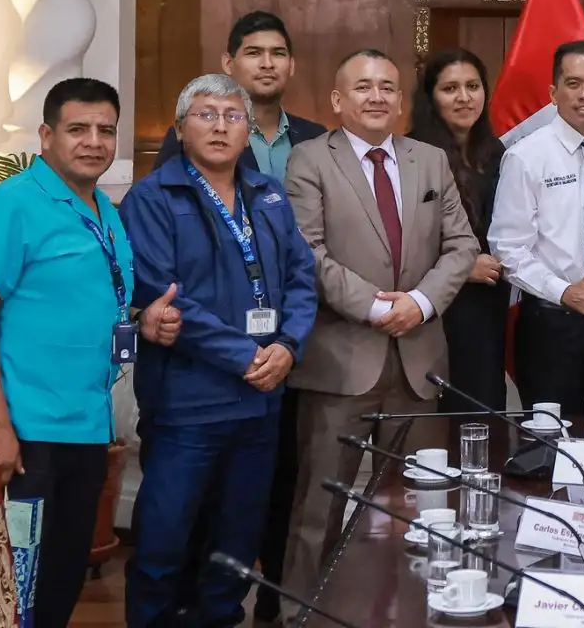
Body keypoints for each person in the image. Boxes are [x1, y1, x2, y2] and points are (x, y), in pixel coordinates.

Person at [0, 78, 182, 628]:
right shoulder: (10, 206)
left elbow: (100, 300)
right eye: (78, 129)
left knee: (59, 575)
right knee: (9, 584)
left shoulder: (104, 208)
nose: (93, 142)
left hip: (83, 425)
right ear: (47, 135)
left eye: (106, 130)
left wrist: (140, 321)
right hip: (24, 429)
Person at [121, 75, 318, 628]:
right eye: (206, 115)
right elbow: (163, 295)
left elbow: (302, 277)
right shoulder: (153, 197)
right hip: (189, 404)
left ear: (247, 131)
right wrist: (245, 356)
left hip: (260, 405)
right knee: (165, 540)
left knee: (236, 544)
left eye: (233, 116)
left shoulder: (268, 195)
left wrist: (287, 346)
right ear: (181, 129)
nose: (220, 126)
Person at [281, 49, 480, 592]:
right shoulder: (309, 159)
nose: (377, 97)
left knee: (422, 504)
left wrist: (418, 302)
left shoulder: (429, 160)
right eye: (363, 87)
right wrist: (374, 306)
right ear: (338, 100)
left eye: (388, 87)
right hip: (342, 360)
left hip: (419, 361)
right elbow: (306, 251)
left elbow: (462, 245)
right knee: (320, 506)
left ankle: (416, 607)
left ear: (400, 100)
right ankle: (307, 612)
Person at [492, 41, 584, 415]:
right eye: (573, 83)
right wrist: (563, 291)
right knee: (548, 444)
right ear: (553, 93)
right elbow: (507, 248)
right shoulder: (526, 156)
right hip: (550, 324)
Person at [410, 47, 510, 412]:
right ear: (431, 97)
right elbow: (400, 236)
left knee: (485, 408)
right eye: (450, 88)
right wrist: (462, 268)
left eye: (473, 86)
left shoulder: (496, 151)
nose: (464, 97)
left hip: (489, 302)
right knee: (444, 415)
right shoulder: (413, 154)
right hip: (439, 304)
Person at [154, 10, 324, 181]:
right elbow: (160, 200)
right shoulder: (193, 134)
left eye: (278, 53)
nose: (267, 64)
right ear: (228, 63)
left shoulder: (316, 137)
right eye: (253, 53)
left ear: (292, 65)